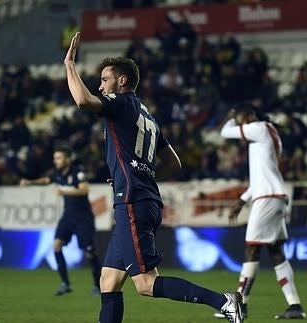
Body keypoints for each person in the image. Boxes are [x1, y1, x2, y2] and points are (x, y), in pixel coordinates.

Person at [62, 32, 244, 323]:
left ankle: (224, 301)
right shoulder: (146, 114)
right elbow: (173, 162)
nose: (100, 86)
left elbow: (83, 101)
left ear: (122, 81)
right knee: (108, 280)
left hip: (133, 202)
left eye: (104, 80)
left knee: (145, 283)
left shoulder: (120, 104)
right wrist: (142, 173)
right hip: (141, 198)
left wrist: (70, 64)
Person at [216, 102, 306, 320]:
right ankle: (295, 306)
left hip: (267, 199)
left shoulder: (259, 128)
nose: (238, 121)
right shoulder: (266, 133)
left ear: (249, 115)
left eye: (240, 117)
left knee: (251, 250)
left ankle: (240, 305)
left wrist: (230, 115)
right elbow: (260, 181)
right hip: (274, 196)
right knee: (276, 253)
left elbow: (224, 131)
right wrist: (241, 201)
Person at [20, 146, 101, 296]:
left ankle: (98, 285)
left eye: (59, 158)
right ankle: (65, 283)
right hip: (68, 217)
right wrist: (30, 182)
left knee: (90, 252)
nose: (55, 160)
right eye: (55, 158)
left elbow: (84, 189)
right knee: (56, 245)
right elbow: (46, 180)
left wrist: (64, 191)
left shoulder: (78, 172)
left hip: (83, 218)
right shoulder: (56, 173)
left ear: (67, 159)